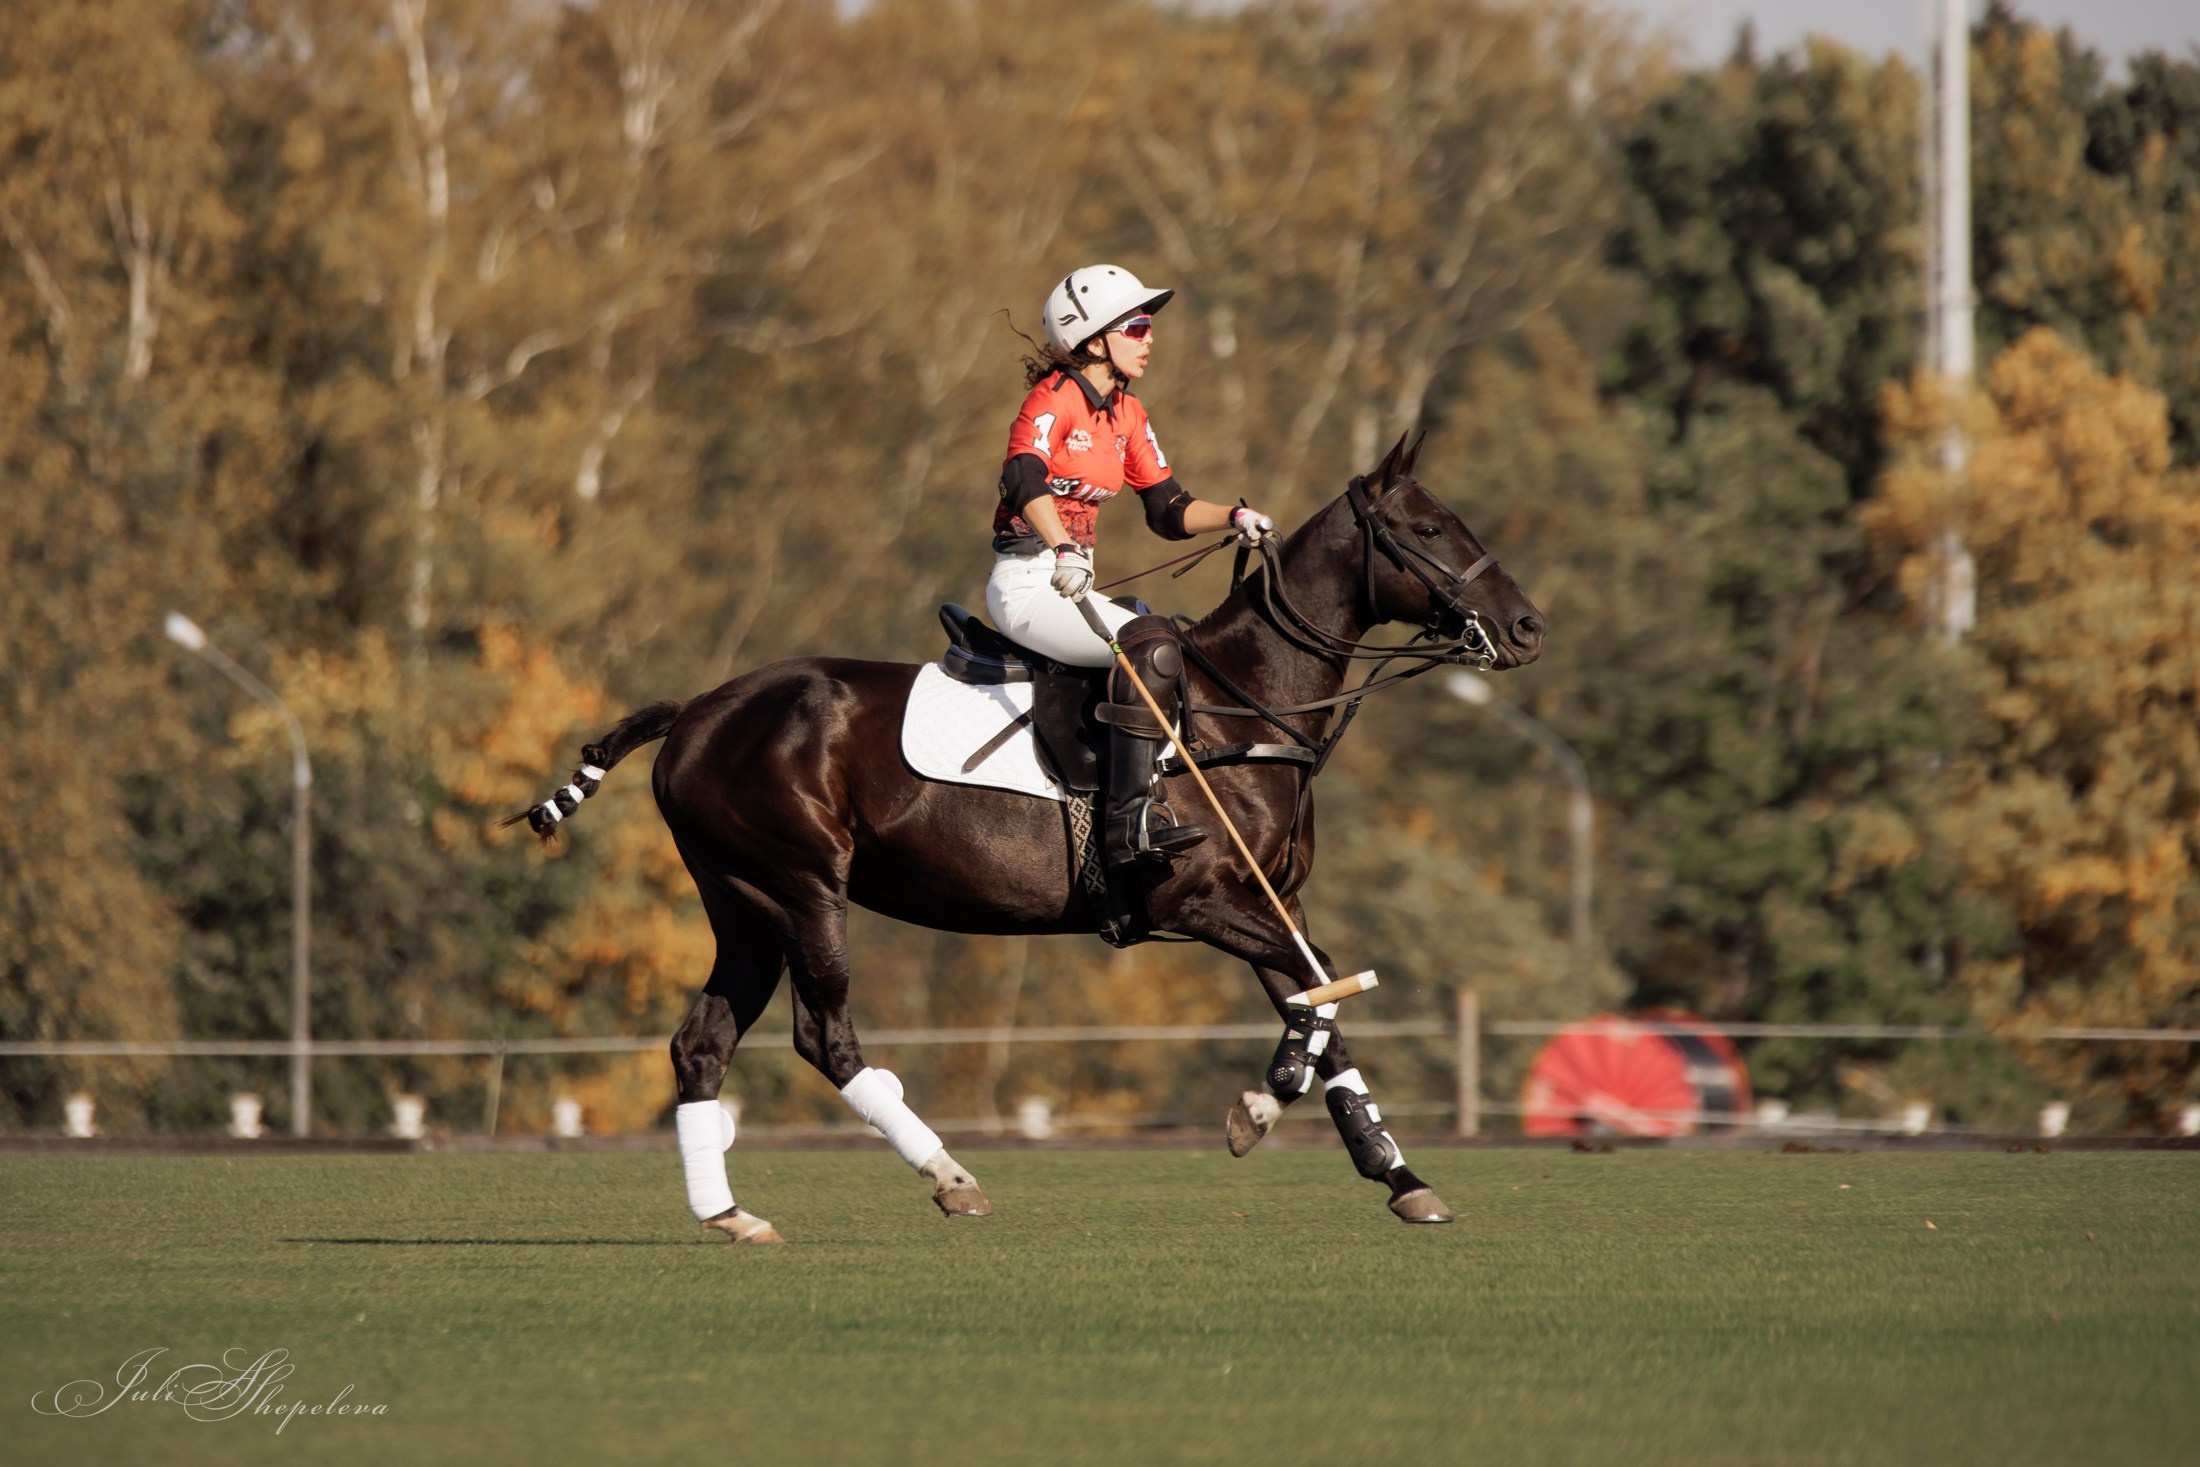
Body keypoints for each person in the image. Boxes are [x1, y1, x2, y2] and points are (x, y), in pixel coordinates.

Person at [988, 264, 1274, 868]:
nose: (1151, 339)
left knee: (1174, 644)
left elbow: (1168, 509)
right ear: (1094, 340)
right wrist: (1064, 546)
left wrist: (1235, 516)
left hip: (1075, 583)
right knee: (1153, 648)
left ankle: (1155, 801)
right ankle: (1128, 827)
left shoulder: (1127, 414)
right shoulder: (1054, 398)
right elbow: (1021, 476)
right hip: (1030, 583)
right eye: (1138, 327)